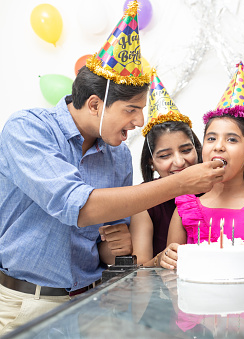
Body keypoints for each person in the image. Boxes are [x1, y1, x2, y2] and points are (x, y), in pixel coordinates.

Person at [0, 3, 224, 334]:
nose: (140, 122)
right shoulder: (28, 130)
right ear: (94, 105)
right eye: (132, 110)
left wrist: (114, 245)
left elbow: (106, 246)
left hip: (92, 304)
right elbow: (80, 207)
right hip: (24, 305)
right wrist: (181, 183)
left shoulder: (118, 156)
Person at [130, 71, 244, 267]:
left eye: (232, 139)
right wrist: (163, 260)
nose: (219, 146)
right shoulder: (184, 210)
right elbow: (172, 284)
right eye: (211, 138)